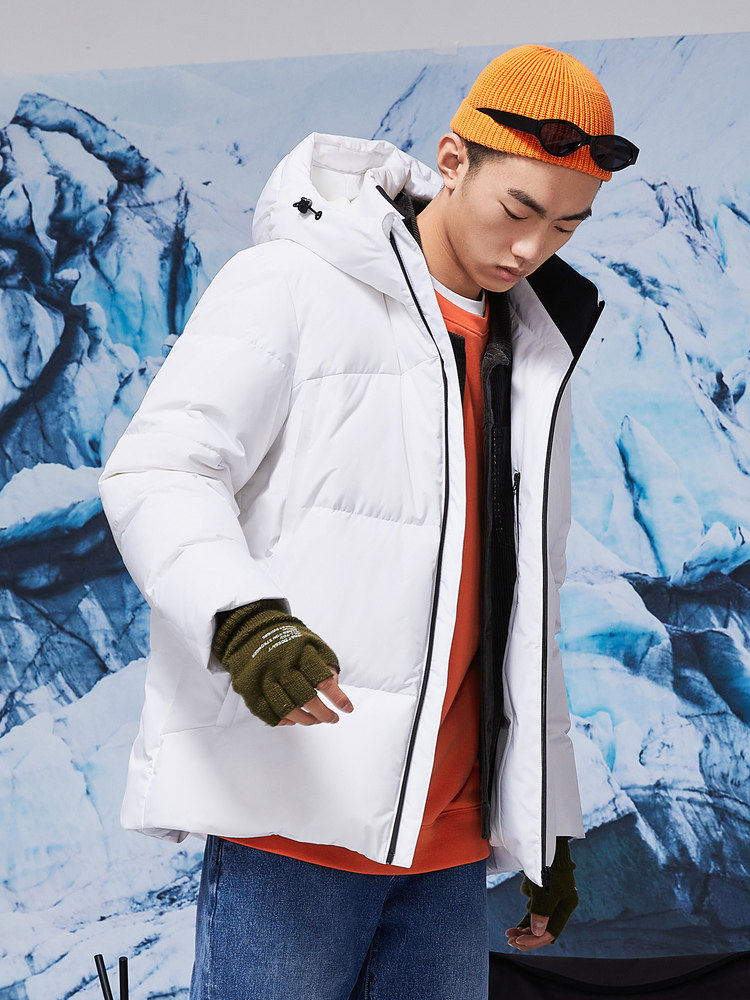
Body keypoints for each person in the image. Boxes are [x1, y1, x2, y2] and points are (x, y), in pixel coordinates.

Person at [99, 44, 638, 1000]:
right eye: (518, 210)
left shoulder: (533, 350)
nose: (531, 250)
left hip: (449, 851)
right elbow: (161, 468)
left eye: (564, 227)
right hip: (295, 824)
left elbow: (520, 614)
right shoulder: (293, 283)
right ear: (453, 160)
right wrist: (244, 619)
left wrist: (543, 824)